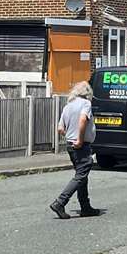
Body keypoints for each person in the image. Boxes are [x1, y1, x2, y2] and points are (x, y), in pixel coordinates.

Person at [50, 80, 101, 219]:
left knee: (82, 176)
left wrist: (70, 136)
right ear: (87, 93)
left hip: (70, 145)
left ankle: (85, 207)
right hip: (81, 145)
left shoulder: (68, 105)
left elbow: (60, 128)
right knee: (80, 175)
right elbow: (83, 120)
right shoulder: (86, 104)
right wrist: (79, 139)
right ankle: (60, 202)